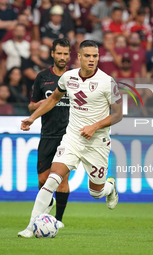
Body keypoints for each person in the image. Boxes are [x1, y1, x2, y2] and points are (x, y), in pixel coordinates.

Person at [18, 40, 122, 238]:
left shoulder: (107, 82)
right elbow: (54, 99)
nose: (92, 59)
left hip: (97, 143)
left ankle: (110, 188)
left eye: (95, 56)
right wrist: (32, 118)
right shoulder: (68, 77)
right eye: (88, 56)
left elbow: (118, 115)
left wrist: (95, 126)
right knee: (51, 180)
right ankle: (30, 227)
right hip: (72, 138)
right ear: (80, 57)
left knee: (96, 192)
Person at [22, 38, 72, 230]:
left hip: (68, 136)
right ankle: (49, 203)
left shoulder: (75, 77)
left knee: (61, 179)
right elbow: (31, 105)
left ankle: (58, 220)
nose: (62, 57)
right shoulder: (42, 77)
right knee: (43, 180)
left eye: (65, 53)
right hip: (47, 133)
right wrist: (44, 103)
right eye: (59, 53)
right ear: (52, 54)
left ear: (69, 55)